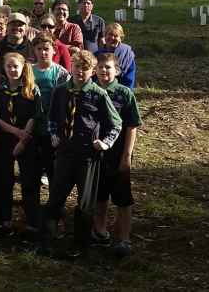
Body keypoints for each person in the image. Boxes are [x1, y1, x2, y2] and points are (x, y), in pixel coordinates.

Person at [44, 50, 121, 257]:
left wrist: (105, 143)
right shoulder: (60, 91)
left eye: (85, 68)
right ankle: (48, 241)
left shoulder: (98, 94)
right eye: (77, 67)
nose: (80, 71)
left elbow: (116, 124)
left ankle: (80, 246)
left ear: (93, 71)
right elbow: (51, 118)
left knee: (85, 203)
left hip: (87, 155)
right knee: (55, 197)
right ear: (71, 67)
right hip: (64, 153)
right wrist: (53, 135)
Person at [92, 53, 141, 257]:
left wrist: (126, 156)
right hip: (96, 155)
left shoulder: (124, 93)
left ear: (118, 71)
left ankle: (124, 238)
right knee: (99, 196)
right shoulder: (89, 91)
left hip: (117, 154)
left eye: (109, 68)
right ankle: (100, 232)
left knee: (122, 198)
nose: (104, 71)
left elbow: (131, 126)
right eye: (101, 67)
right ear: (95, 70)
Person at [0, 53, 45, 235]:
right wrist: (15, 132)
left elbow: (35, 115)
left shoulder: (31, 89)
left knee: (30, 180)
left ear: (23, 68)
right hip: (5, 139)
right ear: (4, 68)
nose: (12, 70)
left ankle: (32, 222)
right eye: (9, 66)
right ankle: (4, 220)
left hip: (27, 140)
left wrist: (23, 138)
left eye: (16, 66)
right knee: (3, 181)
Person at [31, 33, 71, 112]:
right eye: (39, 49)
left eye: (46, 49)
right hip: (32, 113)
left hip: (54, 113)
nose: (43, 52)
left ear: (54, 50)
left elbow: (66, 96)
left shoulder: (61, 73)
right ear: (34, 50)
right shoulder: (29, 70)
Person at [96, 22, 136, 89]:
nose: (112, 38)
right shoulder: (97, 54)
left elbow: (129, 78)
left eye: (116, 36)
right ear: (105, 36)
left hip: (120, 91)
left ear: (121, 38)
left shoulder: (127, 54)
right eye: (110, 34)